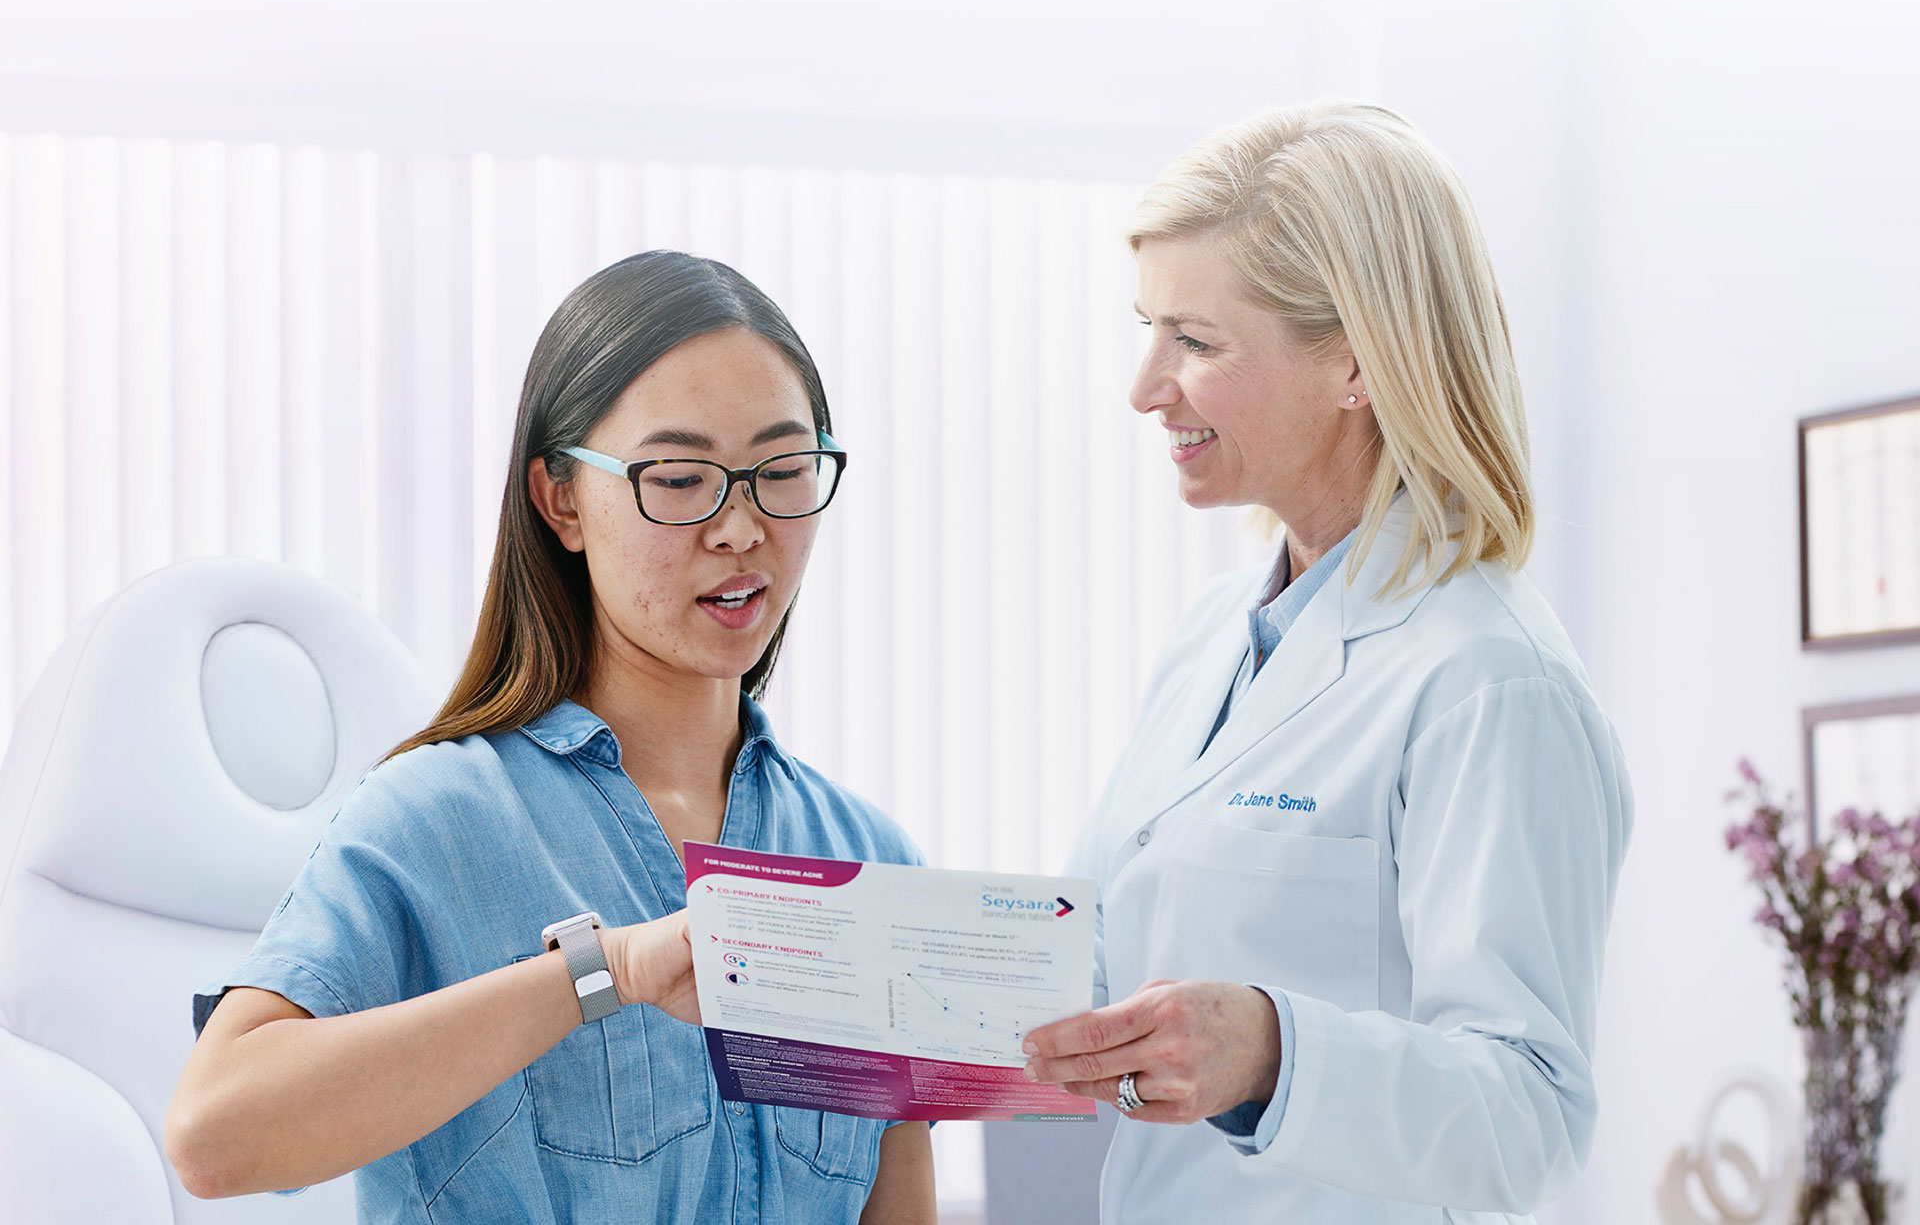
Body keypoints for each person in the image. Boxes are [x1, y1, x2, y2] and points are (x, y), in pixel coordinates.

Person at [165, 251, 936, 1224]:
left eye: (781, 471)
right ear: (561, 500)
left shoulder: (868, 861)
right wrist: (600, 975)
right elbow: (214, 1137)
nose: (741, 528)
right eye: (680, 477)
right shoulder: (438, 819)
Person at [1022, 102, 1633, 1223]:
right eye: (1151, 329)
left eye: (1195, 342)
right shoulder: (1214, 637)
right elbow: (1097, 964)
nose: (1145, 386)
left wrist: (1272, 1055)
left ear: (1354, 363)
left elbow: (1533, 1124)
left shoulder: (1490, 682)